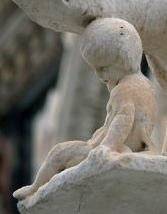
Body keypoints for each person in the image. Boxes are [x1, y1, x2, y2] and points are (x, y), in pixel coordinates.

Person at [13, 18, 158, 200]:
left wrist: (107, 147)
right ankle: (38, 188)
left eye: (103, 68)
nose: (99, 75)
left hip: (116, 148)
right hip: (130, 145)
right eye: (96, 69)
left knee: (59, 154)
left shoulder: (123, 90)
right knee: (64, 156)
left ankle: (36, 189)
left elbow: (123, 118)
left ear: (122, 59)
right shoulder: (145, 85)